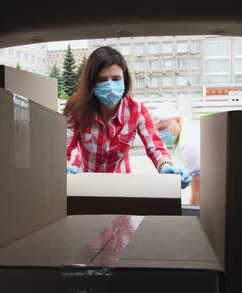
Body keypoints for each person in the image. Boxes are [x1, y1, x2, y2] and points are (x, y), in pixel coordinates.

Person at [64, 46, 192, 189]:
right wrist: (64, 168)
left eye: (116, 78)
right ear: (91, 82)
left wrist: (165, 166)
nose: (110, 85)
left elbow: (154, 146)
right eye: (102, 80)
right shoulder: (76, 108)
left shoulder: (136, 110)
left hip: (121, 185)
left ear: (124, 79)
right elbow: (65, 146)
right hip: (83, 183)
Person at [152, 104, 201, 205]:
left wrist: (190, 220)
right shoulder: (186, 135)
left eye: (163, 129)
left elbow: (199, 191)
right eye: (157, 130)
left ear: (178, 121)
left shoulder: (189, 143)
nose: (160, 134)